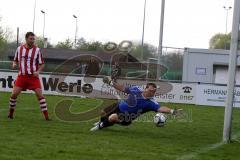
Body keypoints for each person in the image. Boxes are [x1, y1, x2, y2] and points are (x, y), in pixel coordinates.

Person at [90, 77, 182, 131]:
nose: (153, 92)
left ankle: (100, 126)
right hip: (119, 106)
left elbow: (160, 108)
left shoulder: (151, 102)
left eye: (154, 91)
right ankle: (102, 122)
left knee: (113, 117)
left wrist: (172, 111)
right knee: (102, 111)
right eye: (151, 90)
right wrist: (111, 82)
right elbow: (122, 88)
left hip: (127, 117)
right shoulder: (136, 90)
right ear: (146, 89)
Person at [8, 32, 49, 120]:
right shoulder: (19, 49)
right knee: (14, 94)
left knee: (40, 96)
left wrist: (38, 71)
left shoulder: (37, 50)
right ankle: (10, 114)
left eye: (33, 39)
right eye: (31, 39)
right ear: (26, 39)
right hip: (22, 76)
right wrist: (14, 64)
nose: (32, 40)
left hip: (33, 77)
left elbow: (42, 64)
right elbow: (15, 60)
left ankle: (47, 117)